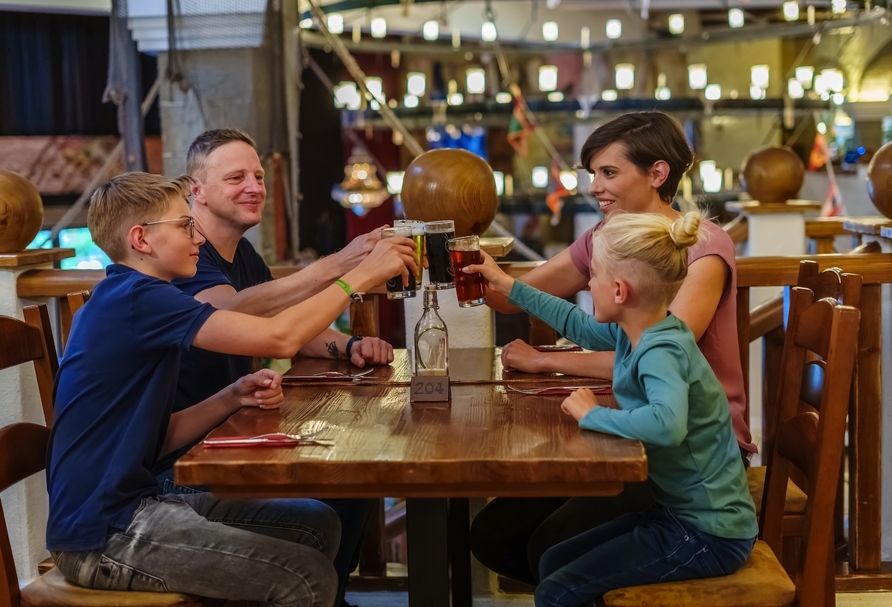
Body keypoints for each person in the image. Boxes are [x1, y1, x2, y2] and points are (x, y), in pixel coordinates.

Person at [47, 172, 417, 606]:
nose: (197, 238)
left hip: (133, 506)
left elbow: (154, 436)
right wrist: (360, 274)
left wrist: (231, 396)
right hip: (104, 534)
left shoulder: (137, 296)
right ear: (141, 240)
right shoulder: (137, 298)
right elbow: (280, 339)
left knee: (318, 523)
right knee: (307, 577)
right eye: (184, 226)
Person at [469, 111, 756, 585]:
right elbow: (507, 298)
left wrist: (545, 361)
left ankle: (589, 586)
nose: (594, 187)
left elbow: (657, 354)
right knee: (496, 533)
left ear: (657, 173)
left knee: (549, 547)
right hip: (635, 428)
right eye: (592, 174)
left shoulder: (704, 246)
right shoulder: (607, 239)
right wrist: (478, 267)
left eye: (608, 172)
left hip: (696, 451)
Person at [153, 129, 389, 605]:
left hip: (233, 437)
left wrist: (351, 345)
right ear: (195, 191)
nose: (254, 186)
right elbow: (238, 314)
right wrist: (343, 263)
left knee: (359, 481)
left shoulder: (240, 252)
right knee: (340, 489)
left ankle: (328, 597)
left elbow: (281, 321)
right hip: (177, 466)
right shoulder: (183, 259)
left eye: (258, 176)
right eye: (236, 177)